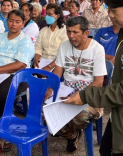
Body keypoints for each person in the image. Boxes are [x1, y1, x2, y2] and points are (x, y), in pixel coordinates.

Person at [65, 0, 123, 155]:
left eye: (113, 10)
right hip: (118, 117)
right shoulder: (122, 33)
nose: (110, 15)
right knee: (106, 149)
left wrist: (84, 95)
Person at [44, 16, 106, 153]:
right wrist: (50, 89)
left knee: (80, 116)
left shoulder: (97, 49)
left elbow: (98, 81)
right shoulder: (65, 46)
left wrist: (81, 95)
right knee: (44, 111)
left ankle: (74, 131)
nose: (71, 36)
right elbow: (58, 71)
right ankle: (72, 135)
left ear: (86, 33)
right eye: (68, 32)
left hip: (90, 93)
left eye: (75, 32)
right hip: (67, 89)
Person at [0, 10, 35, 151]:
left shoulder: (25, 41)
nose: (14, 24)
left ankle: (3, 132)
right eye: (11, 20)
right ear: (7, 21)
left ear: (23, 23)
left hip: (18, 76)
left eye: (18, 21)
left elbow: (20, 64)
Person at [33, 3, 68, 71]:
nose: (47, 16)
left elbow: (63, 52)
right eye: (46, 14)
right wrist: (36, 60)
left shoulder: (64, 31)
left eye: (50, 14)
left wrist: (49, 67)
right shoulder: (43, 30)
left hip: (58, 62)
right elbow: (38, 47)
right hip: (43, 60)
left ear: (57, 16)